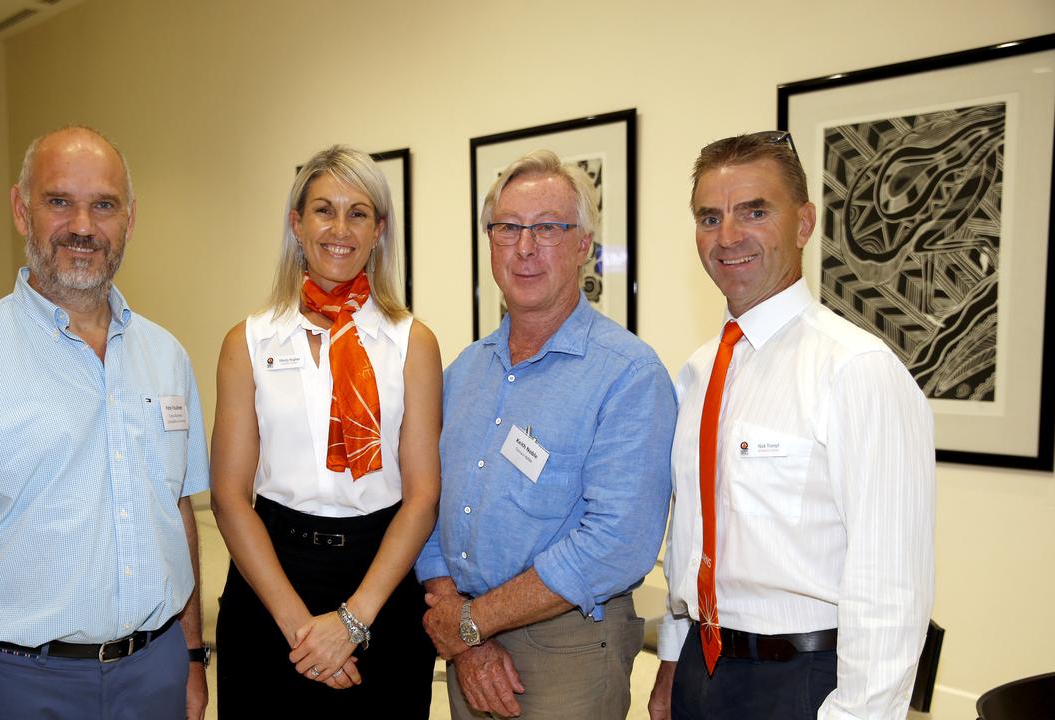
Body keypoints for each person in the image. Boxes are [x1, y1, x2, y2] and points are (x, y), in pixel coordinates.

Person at [0, 126, 210, 719]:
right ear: (20, 209)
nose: (82, 226)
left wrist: (190, 657)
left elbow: (175, 512)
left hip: (155, 672)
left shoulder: (167, 357)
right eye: (59, 201)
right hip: (20, 684)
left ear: (129, 220)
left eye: (103, 205)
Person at [648, 131, 935, 720]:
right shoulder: (699, 371)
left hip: (804, 684)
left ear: (804, 224)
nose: (727, 236)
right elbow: (691, 536)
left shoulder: (857, 370)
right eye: (710, 217)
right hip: (702, 673)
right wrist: (674, 662)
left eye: (755, 211)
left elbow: (891, 589)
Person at [416, 149, 675, 719]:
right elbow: (427, 507)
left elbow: (617, 546)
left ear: (584, 246)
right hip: (466, 642)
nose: (525, 248)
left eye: (548, 229)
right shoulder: (463, 373)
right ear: (489, 243)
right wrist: (462, 625)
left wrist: (469, 623)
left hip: (567, 648)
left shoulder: (629, 375)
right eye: (508, 228)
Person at [209, 145, 442, 718]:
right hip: (270, 583)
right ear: (296, 223)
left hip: (379, 581)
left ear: (379, 230)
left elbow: (423, 497)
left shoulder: (413, 344)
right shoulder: (249, 343)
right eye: (323, 210)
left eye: (358, 213)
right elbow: (229, 497)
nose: (340, 229)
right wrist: (303, 631)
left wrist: (351, 621)